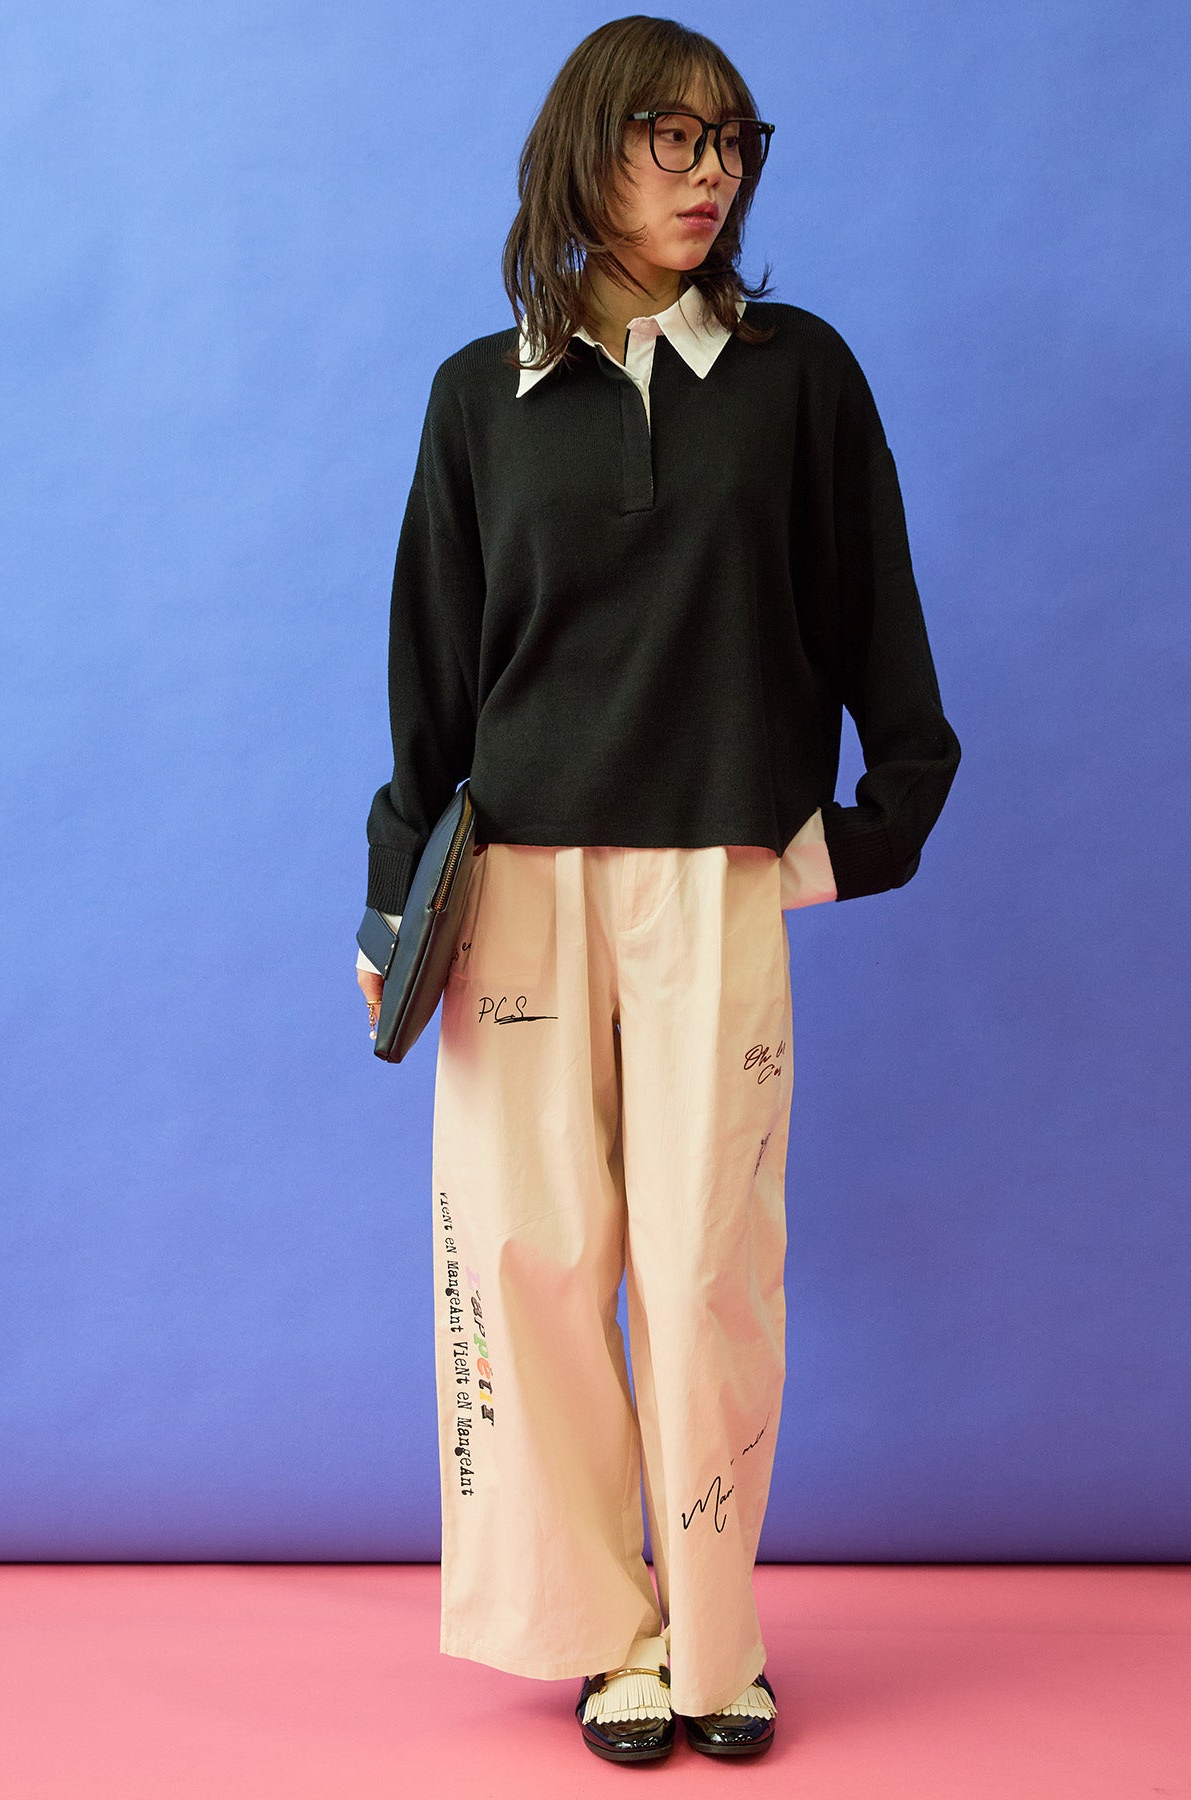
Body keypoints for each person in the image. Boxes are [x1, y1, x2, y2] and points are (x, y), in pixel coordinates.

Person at [355, 16, 961, 1765]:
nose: (712, 174)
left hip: (712, 879)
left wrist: (877, 824)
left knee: (706, 1273)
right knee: (533, 1264)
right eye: (670, 139)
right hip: (517, 892)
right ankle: (604, 1636)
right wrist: (395, 906)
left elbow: (877, 615)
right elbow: (430, 675)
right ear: (587, 151)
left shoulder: (796, 375)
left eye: (732, 141)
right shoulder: (479, 395)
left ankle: (712, 1639)